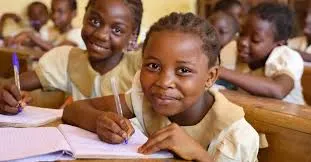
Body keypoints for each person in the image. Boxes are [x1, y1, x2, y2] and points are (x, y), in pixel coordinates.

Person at [63, 12, 259, 162]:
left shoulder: (236, 136)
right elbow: (73, 110)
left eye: (183, 70)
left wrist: (199, 154)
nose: (164, 82)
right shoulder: (144, 98)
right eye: (153, 66)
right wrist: (99, 121)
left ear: (210, 77)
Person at [0, 0, 143, 115]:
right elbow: (10, 85)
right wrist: (7, 96)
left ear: (133, 35)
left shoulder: (141, 69)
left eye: (117, 30)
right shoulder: (65, 59)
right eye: (94, 21)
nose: (101, 35)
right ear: (84, 16)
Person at [219, 3, 305, 105]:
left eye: (255, 40)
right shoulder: (232, 49)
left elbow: (278, 90)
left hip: (292, 117)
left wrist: (220, 71)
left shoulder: (288, 57)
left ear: (278, 44)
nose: (243, 42)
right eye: (242, 33)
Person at [8, 0, 85, 50]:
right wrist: (14, 40)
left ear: (73, 14)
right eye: (53, 10)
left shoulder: (77, 34)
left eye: (60, 12)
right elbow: (36, 44)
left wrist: (30, 35)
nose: (55, 15)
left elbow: (56, 50)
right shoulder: (47, 30)